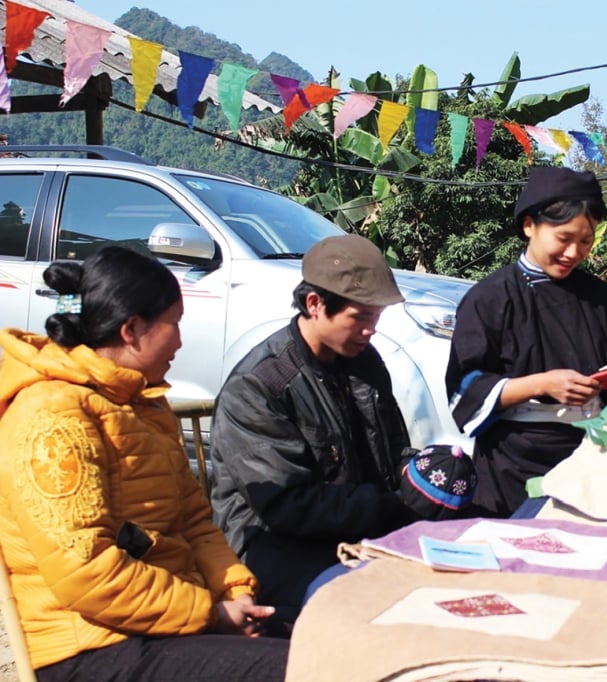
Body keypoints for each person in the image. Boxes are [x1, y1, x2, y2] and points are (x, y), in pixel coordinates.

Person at [0, 246, 288, 681]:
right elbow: (87, 575)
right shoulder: (51, 415)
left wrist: (235, 591)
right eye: (175, 322)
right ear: (133, 329)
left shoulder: (140, 404)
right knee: (310, 666)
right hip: (90, 649)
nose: (180, 340)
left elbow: (193, 523)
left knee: (330, 634)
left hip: (168, 624)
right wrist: (209, 613)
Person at [210, 234, 415, 637]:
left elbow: (392, 455)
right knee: (376, 604)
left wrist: (424, 473)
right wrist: (393, 504)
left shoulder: (365, 362)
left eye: (376, 318)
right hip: (270, 546)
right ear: (315, 305)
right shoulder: (258, 386)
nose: (371, 331)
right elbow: (286, 506)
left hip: (351, 528)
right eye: (360, 318)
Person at [446, 166, 607, 517]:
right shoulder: (489, 298)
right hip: (512, 463)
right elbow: (466, 389)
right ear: (529, 224)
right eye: (563, 238)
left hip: (590, 456)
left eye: (586, 241)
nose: (574, 252)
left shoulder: (597, 295)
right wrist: (542, 383)